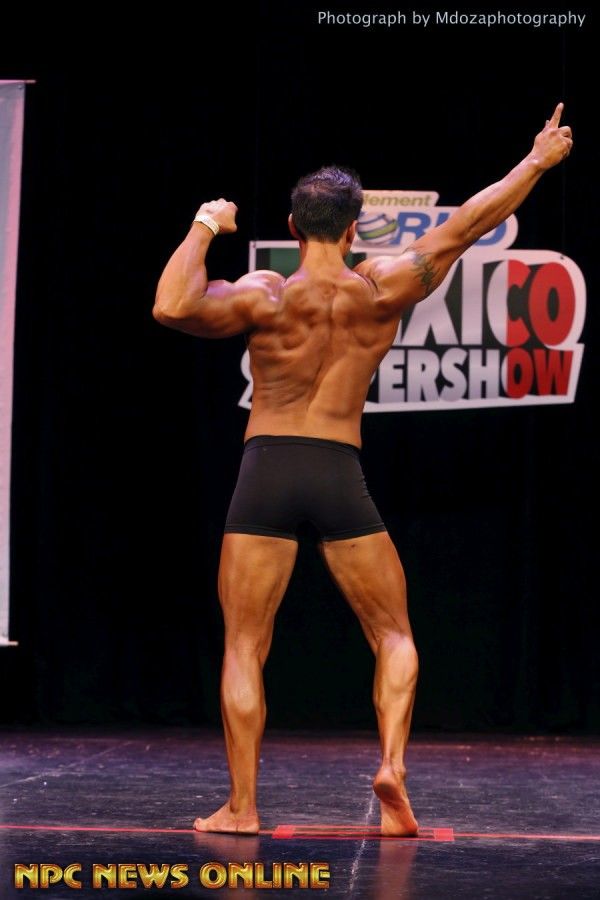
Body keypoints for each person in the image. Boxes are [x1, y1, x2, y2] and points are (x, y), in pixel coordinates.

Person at [153, 104, 572, 836]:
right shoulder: (383, 288)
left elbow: (171, 304)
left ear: (292, 226)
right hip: (337, 469)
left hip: (267, 468)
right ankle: (392, 769)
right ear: (355, 230)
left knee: (245, 644)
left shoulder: (263, 294)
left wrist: (205, 224)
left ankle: (242, 808)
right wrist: (536, 161)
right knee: (394, 634)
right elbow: (470, 222)